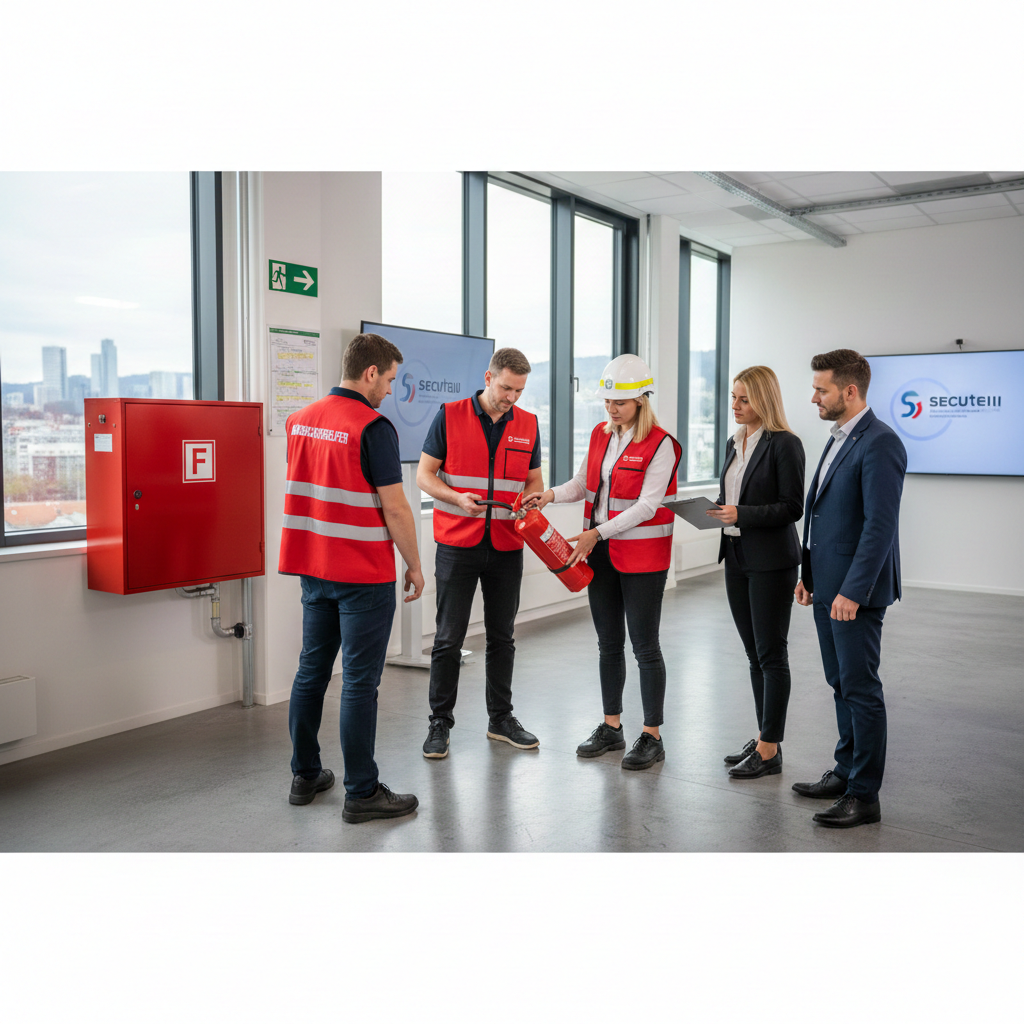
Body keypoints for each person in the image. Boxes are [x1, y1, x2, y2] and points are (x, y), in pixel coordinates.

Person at [280, 332, 424, 824]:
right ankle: (362, 792)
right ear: (370, 373)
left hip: (312, 568)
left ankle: (305, 774)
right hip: (362, 572)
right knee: (360, 684)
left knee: (311, 672)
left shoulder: (299, 422)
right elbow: (396, 508)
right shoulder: (372, 427)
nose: (390, 391)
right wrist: (415, 564)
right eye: (389, 380)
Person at [524, 354, 681, 770]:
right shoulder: (600, 434)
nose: (611, 410)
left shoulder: (662, 444)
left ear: (641, 401)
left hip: (643, 559)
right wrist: (550, 495)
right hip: (603, 556)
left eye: (620, 404)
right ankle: (612, 727)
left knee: (645, 646)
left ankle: (652, 736)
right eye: (607, 402)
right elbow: (583, 483)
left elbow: (648, 506)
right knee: (608, 643)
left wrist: (598, 531)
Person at [792, 348, 907, 828]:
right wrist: (810, 575)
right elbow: (825, 515)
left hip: (854, 594)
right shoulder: (838, 438)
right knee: (839, 683)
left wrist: (853, 591)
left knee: (861, 688)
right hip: (827, 587)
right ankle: (845, 770)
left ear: (850, 390)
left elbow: (879, 527)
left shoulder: (880, 442)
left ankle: (864, 794)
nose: (813, 396)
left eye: (821, 389)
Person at [416, 347, 544, 758]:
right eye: (507, 387)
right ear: (488, 378)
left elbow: (534, 482)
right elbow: (424, 475)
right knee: (448, 639)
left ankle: (501, 719)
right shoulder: (449, 415)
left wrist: (532, 500)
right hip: (457, 543)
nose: (512, 398)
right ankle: (440, 723)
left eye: (520, 391)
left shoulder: (528, 424)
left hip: (507, 545)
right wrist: (456, 497)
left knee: (503, 637)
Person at [706, 366, 805, 780]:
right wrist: (712, 509)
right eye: (733, 398)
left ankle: (769, 748)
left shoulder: (785, 444)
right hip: (736, 554)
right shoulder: (735, 442)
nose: (735, 406)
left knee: (771, 653)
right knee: (753, 653)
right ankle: (766, 736)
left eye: (744, 399)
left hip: (771, 560)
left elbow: (791, 507)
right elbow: (733, 494)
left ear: (763, 399)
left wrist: (740, 513)